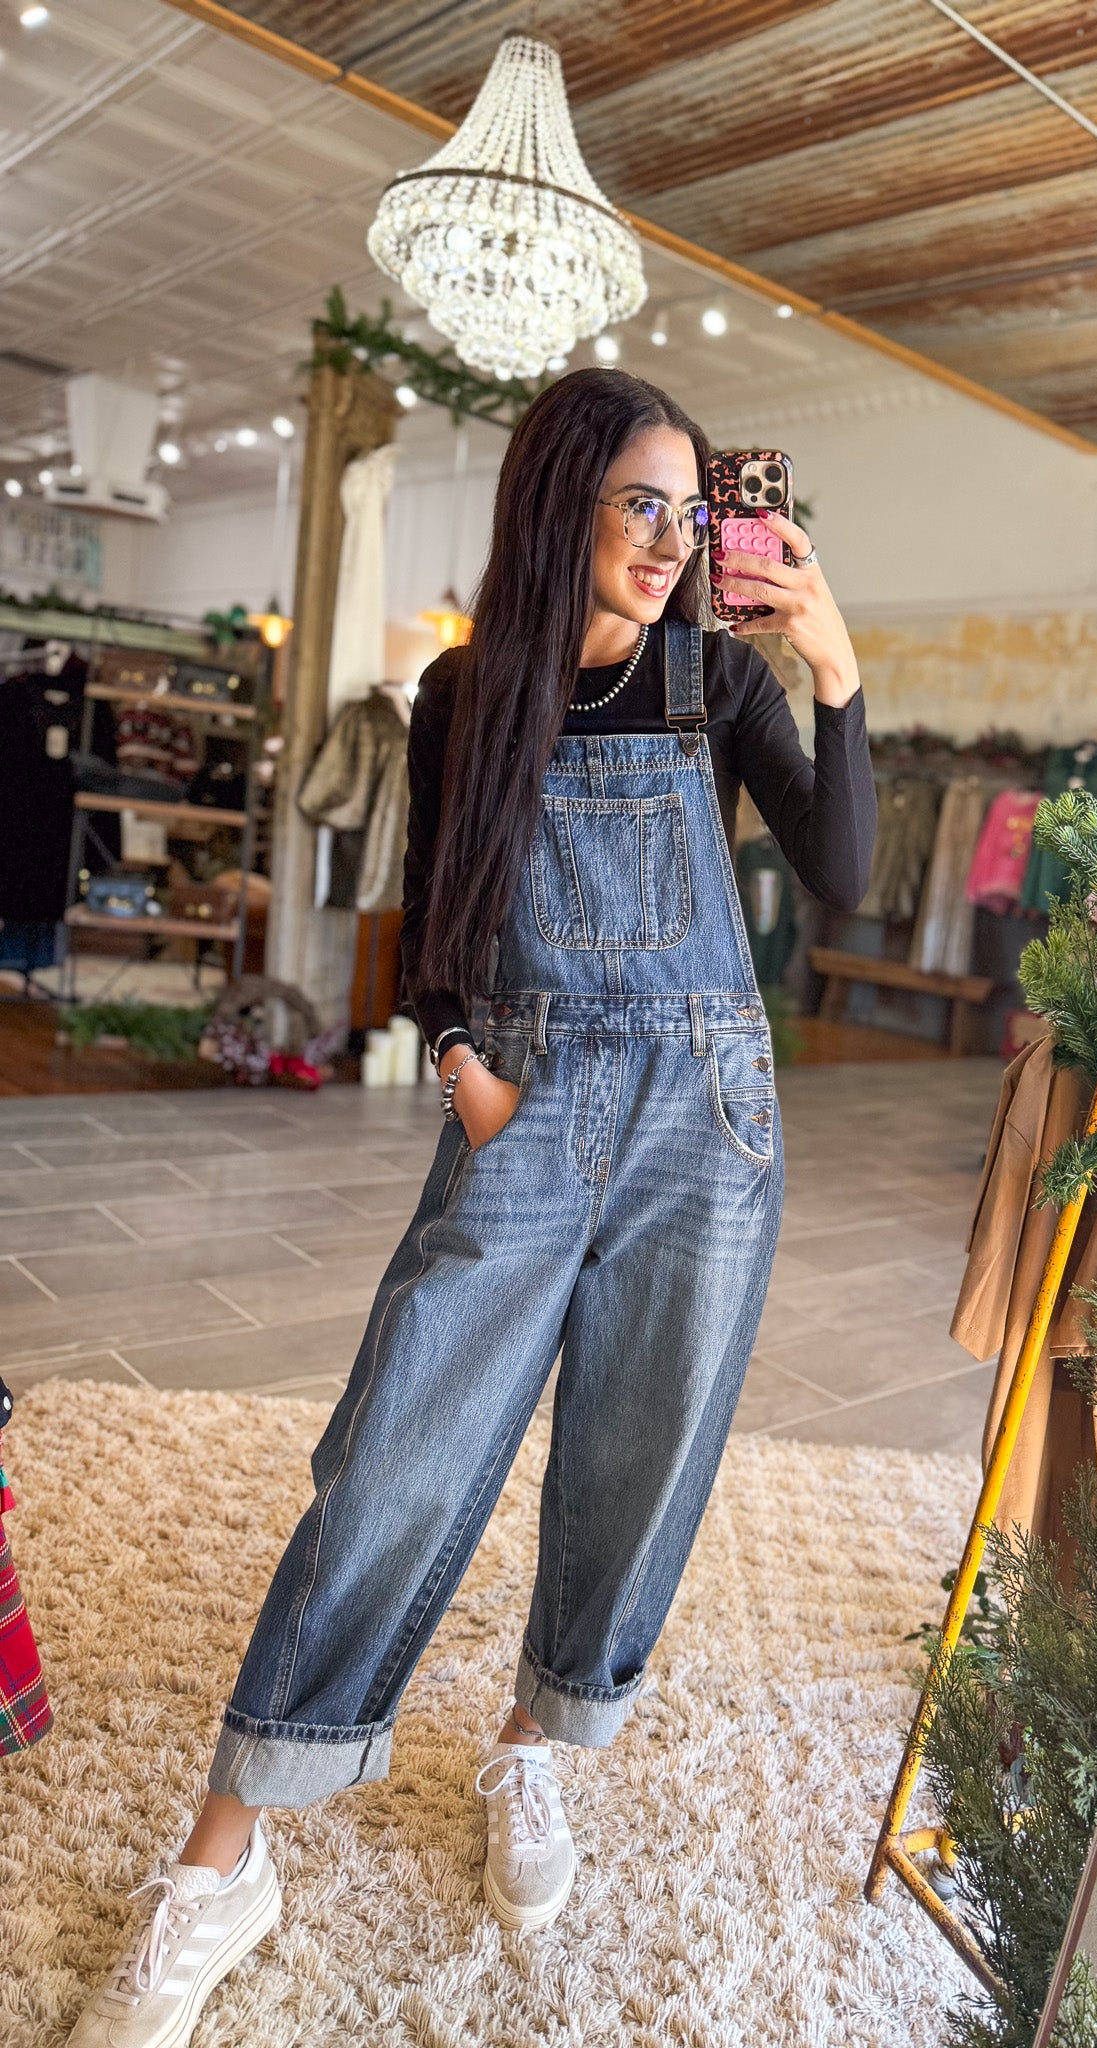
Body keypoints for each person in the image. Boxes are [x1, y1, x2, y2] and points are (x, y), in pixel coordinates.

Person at [67, 369, 875, 2047]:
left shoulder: (716, 677)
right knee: (397, 1453)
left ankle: (533, 1745)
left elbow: (848, 876)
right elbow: (437, 922)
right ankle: (228, 1852)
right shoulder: (465, 694)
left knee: (640, 1458)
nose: (670, 540)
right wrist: (463, 1071)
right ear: (561, 501)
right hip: (528, 1110)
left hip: (706, 1126)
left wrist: (832, 660)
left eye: (689, 510)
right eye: (639, 503)